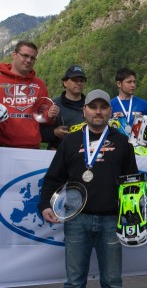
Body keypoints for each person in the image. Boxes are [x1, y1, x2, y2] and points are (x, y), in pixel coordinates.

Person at [38, 89, 138, 288]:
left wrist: (132, 216)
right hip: (76, 219)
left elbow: (131, 182)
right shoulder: (70, 141)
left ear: (110, 111)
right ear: (85, 111)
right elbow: (53, 178)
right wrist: (45, 204)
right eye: (93, 107)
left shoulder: (123, 142)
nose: (98, 112)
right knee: (75, 282)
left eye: (103, 107)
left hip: (111, 220)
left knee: (112, 282)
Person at [0, 40, 59, 148]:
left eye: (32, 58)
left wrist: (50, 115)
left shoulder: (39, 84)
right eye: (25, 56)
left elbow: (43, 117)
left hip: (32, 148)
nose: (28, 60)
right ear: (14, 54)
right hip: (3, 147)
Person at [40, 65, 87, 149]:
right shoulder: (52, 104)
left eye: (82, 80)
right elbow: (40, 133)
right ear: (65, 82)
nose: (79, 83)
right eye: (74, 80)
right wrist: (54, 133)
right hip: (60, 155)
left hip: (85, 154)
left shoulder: (90, 105)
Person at [110, 67, 147, 137]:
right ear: (119, 84)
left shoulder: (143, 104)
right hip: (117, 145)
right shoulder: (109, 105)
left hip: (139, 146)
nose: (133, 85)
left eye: (134, 82)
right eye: (129, 82)